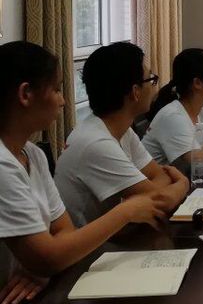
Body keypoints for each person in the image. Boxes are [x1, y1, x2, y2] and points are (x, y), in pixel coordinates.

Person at [0, 42, 164, 304]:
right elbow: (49, 256)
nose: (63, 101)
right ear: (26, 94)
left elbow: (63, 233)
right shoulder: (3, 165)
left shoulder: (33, 154)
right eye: (56, 89)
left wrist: (47, 264)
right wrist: (127, 211)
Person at [54, 43, 189, 227]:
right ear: (135, 92)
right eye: (151, 80)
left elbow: (157, 176)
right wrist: (183, 182)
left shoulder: (121, 130)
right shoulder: (96, 143)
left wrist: (158, 192)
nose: (154, 88)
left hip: (121, 234)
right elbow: (160, 201)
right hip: (97, 244)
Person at [143, 49, 203, 172]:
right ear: (197, 83)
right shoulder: (173, 116)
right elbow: (200, 164)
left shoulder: (199, 112)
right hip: (157, 182)